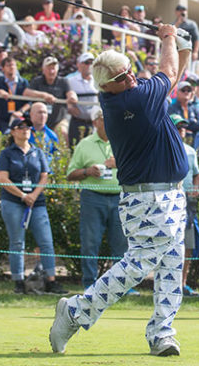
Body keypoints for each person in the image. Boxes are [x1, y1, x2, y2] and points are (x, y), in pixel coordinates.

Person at [49, 23, 192, 357]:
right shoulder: (137, 100)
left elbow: (172, 75)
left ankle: (162, 333)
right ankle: (75, 311)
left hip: (169, 194)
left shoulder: (125, 94)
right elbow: (169, 71)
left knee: (172, 264)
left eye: (130, 71)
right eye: (122, 77)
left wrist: (181, 43)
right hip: (148, 197)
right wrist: (168, 36)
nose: (130, 78)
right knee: (139, 265)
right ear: (106, 85)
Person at [0, 116, 66, 295]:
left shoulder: (38, 152)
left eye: (27, 127)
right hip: (13, 201)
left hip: (37, 202)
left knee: (46, 242)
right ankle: (18, 282)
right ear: (13, 132)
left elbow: (45, 175)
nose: (25, 129)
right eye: (20, 127)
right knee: (17, 242)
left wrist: (33, 195)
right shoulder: (7, 153)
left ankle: (51, 281)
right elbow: (3, 178)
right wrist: (22, 195)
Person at [66, 106, 125, 288]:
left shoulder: (122, 141)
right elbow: (70, 174)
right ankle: (90, 285)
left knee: (121, 245)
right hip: (92, 198)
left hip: (119, 198)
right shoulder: (85, 144)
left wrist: (120, 164)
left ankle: (120, 286)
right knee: (90, 244)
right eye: (102, 118)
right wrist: (87, 171)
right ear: (95, 122)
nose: (107, 121)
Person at [168, 114, 199, 297]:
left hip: (188, 203)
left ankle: (181, 284)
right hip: (168, 202)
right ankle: (167, 284)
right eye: (178, 127)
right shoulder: (161, 149)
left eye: (183, 127)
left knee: (187, 244)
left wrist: (195, 187)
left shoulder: (190, 151)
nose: (181, 130)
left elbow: (196, 174)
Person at [29, 57, 77, 140]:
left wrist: (72, 97)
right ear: (43, 70)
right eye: (48, 68)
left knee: (62, 133)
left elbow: (70, 93)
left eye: (53, 68)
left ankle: (63, 153)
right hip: (39, 120)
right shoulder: (36, 81)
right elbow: (26, 92)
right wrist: (44, 95)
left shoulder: (63, 81)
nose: (51, 71)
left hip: (59, 119)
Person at [0, 56, 35, 136]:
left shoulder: (23, 82)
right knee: (5, 138)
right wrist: (0, 92)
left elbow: (29, 102)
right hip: (3, 117)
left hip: (20, 117)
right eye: (8, 65)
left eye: (13, 65)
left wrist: (21, 111)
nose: (11, 67)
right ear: (3, 68)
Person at [66, 52, 98, 146]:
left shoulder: (97, 80)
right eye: (86, 62)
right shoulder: (70, 81)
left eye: (91, 62)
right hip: (77, 122)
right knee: (75, 150)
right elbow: (63, 95)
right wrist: (69, 106)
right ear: (78, 64)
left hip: (94, 123)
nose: (89, 65)